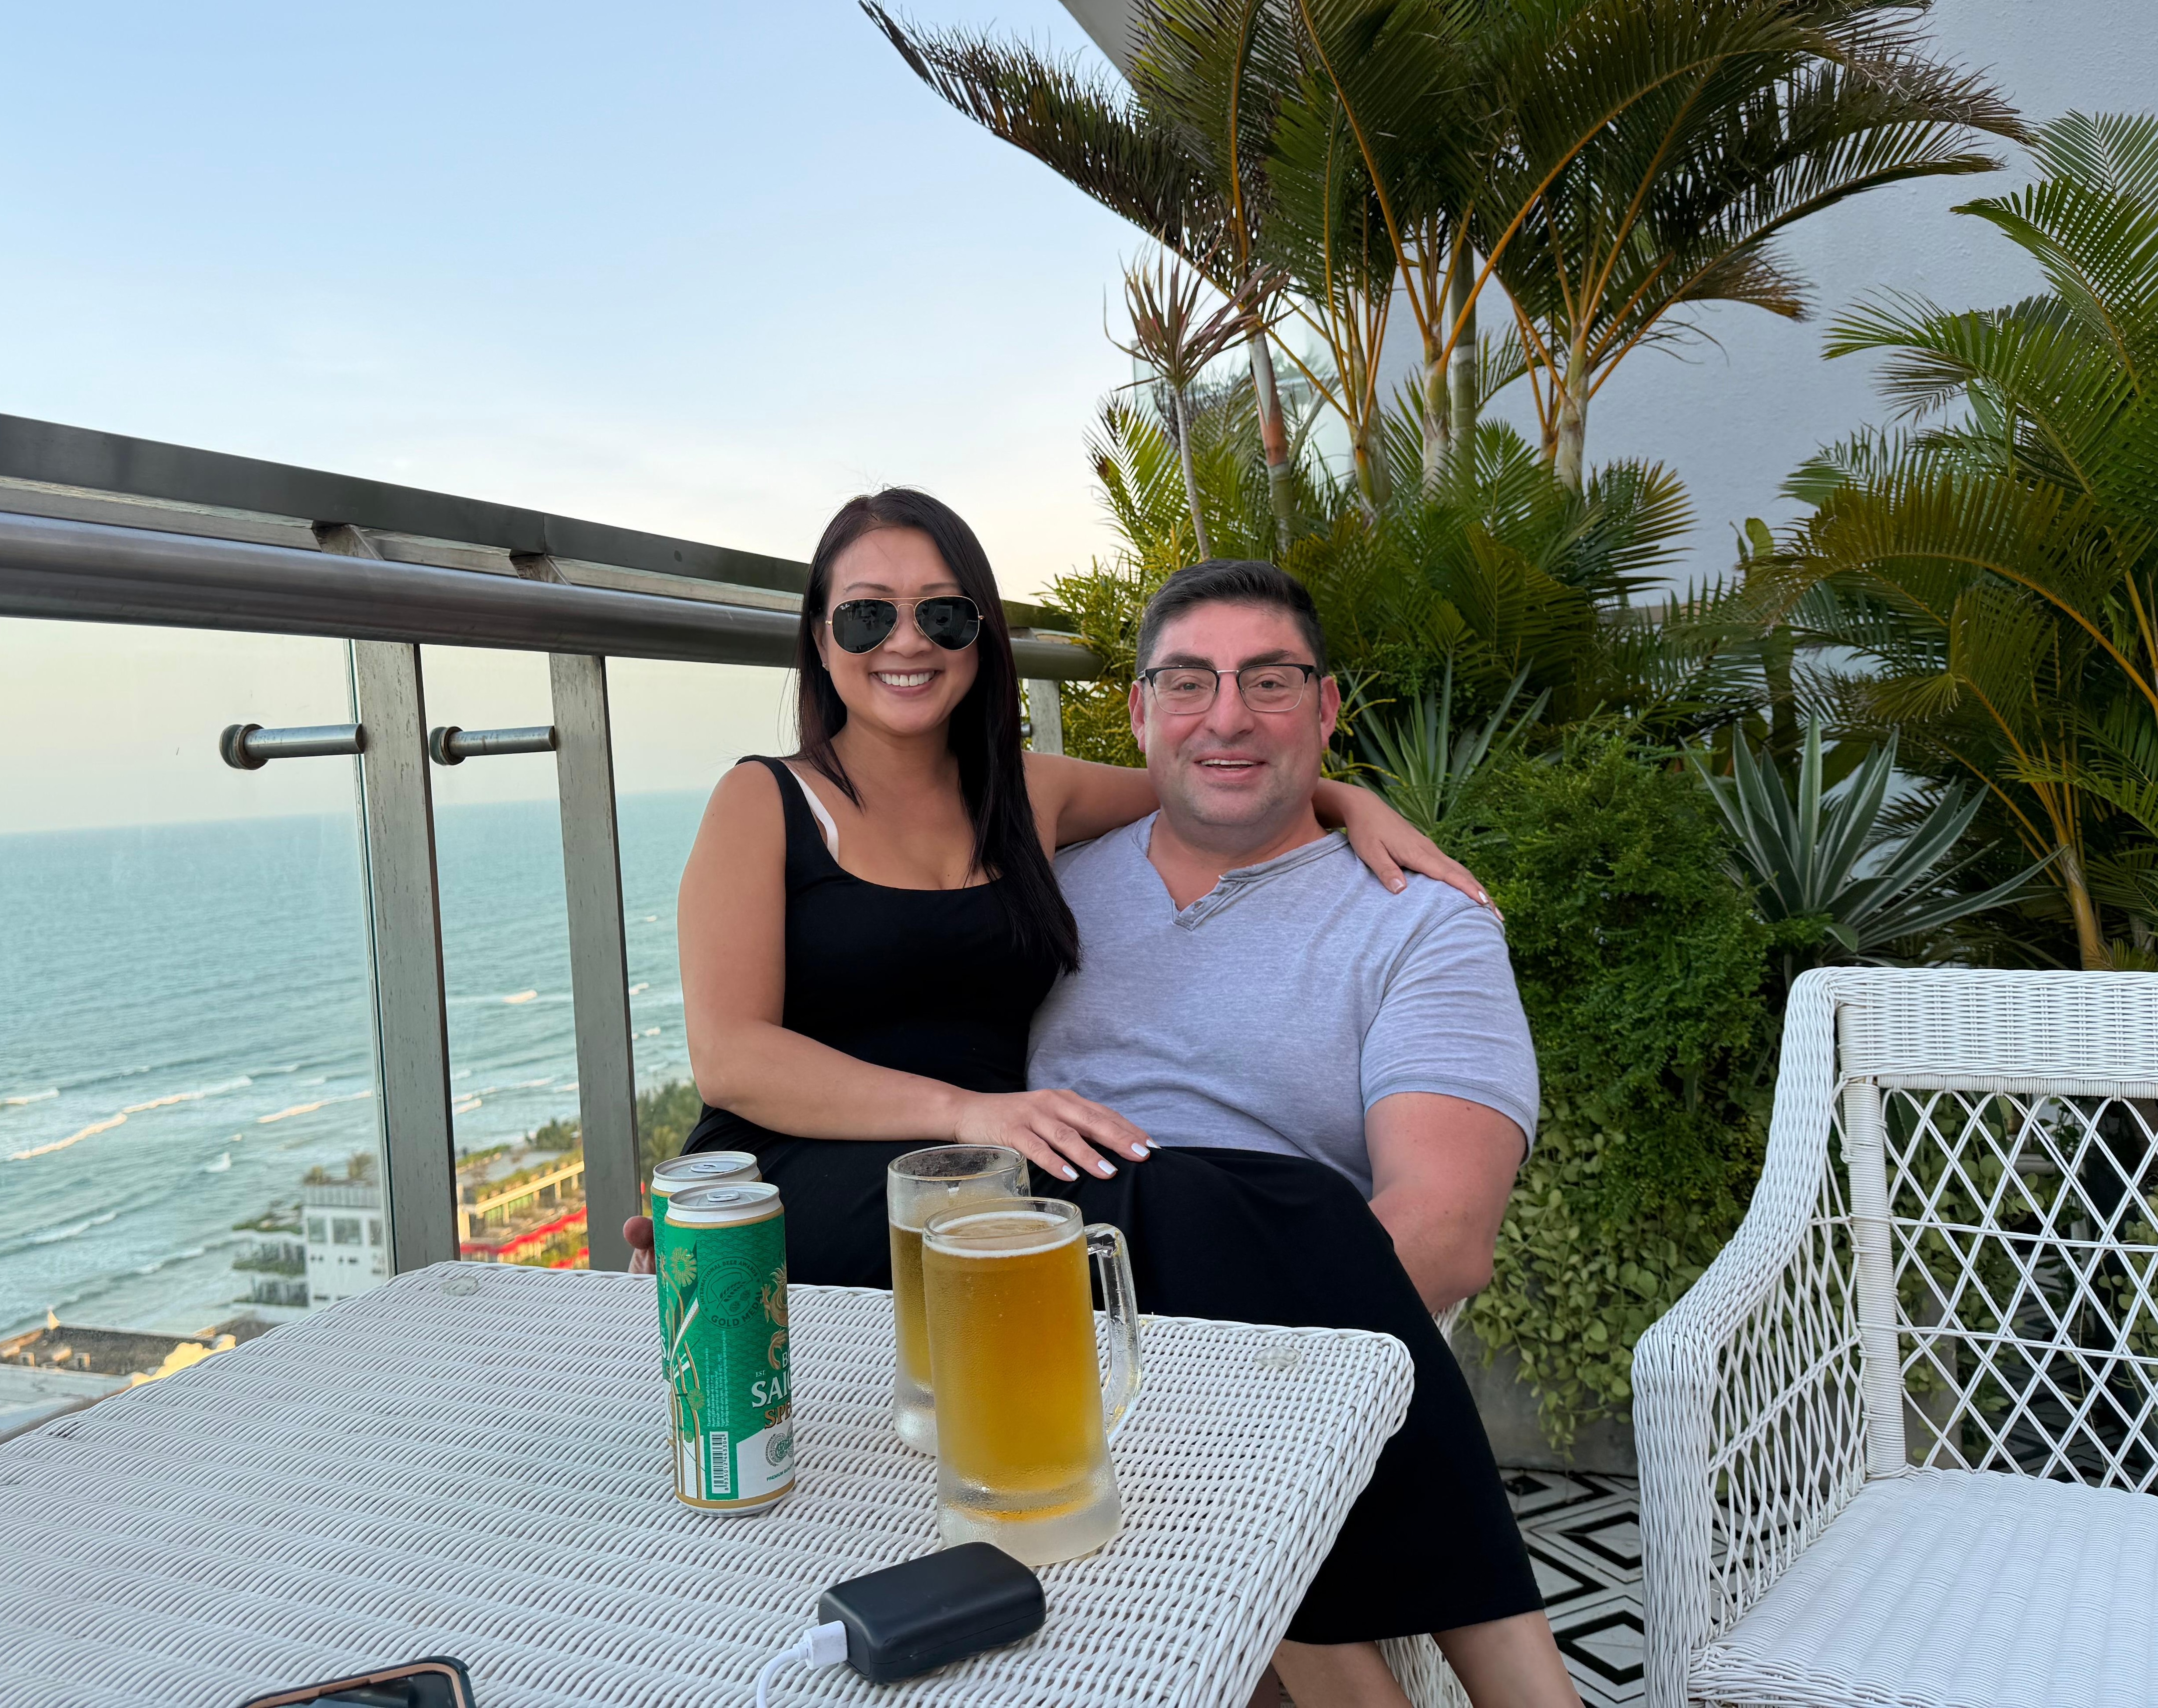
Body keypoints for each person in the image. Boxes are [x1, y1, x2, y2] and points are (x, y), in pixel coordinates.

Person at [666, 486, 1488, 1289]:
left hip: (985, 1175)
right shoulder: (764, 801)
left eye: (943, 614)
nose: (907, 640)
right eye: (867, 614)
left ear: (981, 636)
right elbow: (731, 1058)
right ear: (820, 638)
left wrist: (1345, 797)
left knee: (1240, 1205)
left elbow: (1205, 777)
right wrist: (966, 1112)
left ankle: (1346, 1365)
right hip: (806, 1170)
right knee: (1166, 1202)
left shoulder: (1031, 793)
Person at [1029, 557, 1575, 1708]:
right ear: (1137, 712)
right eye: (1187, 682)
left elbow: (1442, 1233)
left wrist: (1181, 1393)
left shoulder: (1422, 924)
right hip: (1034, 1355)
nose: (1226, 715)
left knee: (1211, 1205)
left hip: (1268, 1372)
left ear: (1325, 710)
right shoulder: (1042, 896)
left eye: (1268, 682)